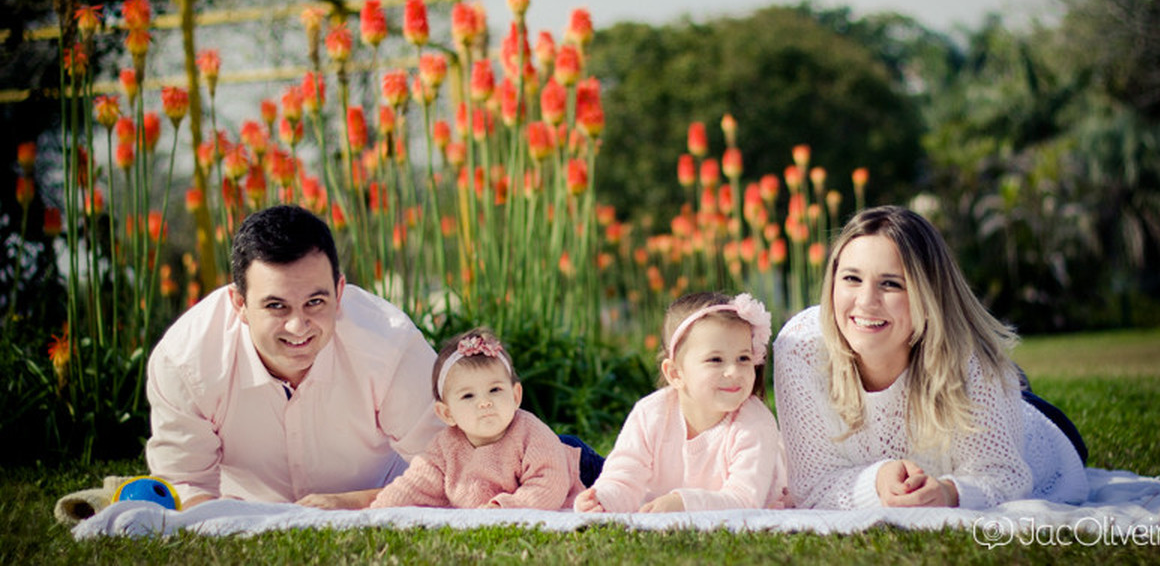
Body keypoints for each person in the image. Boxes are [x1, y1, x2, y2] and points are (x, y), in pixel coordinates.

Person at [773, 205, 1090, 510]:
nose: (866, 301)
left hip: (1035, 430)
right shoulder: (801, 346)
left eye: (891, 284)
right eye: (852, 279)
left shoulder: (971, 360)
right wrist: (878, 480)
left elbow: (1004, 475)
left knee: (1003, 388)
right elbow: (812, 486)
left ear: (928, 296)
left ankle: (1012, 388)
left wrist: (949, 492)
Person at [144, 204, 443, 509]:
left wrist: (351, 503)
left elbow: (451, 469)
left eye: (315, 302)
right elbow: (183, 487)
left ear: (339, 292)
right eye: (276, 306)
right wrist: (233, 518)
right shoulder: (186, 363)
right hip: (242, 509)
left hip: (384, 496)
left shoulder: (390, 346)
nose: (298, 327)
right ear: (239, 303)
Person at [575, 292, 788, 513]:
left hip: (763, 488)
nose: (734, 371)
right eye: (715, 360)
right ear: (675, 373)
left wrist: (683, 503)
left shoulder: (754, 424)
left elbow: (744, 500)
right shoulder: (651, 414)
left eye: (743, 358)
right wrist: (603, 499)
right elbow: (625, 474)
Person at [367, 328, 586, 509]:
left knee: (603, 491)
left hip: (577, 466)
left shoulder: (532, 434)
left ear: (515, 396)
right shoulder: (444, 448)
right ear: (447, 413)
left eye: (495, 390)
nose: (484, 402)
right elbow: (415, 485)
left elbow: (550, 484)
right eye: (468, 396)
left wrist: (508, 507)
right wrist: (380, 508)